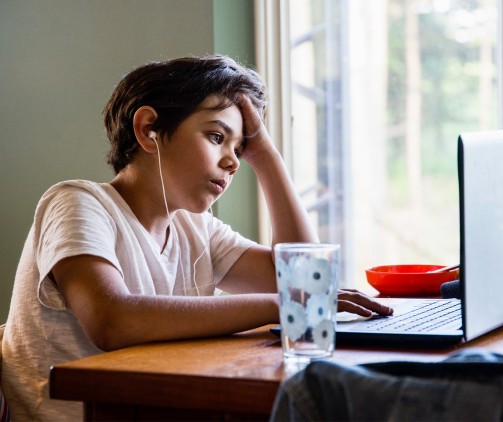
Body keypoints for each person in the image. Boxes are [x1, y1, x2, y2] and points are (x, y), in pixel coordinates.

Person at [0, 55, 393, 421]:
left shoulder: (195, 227)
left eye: (241, 148)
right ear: (148, 129)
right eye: (217, 137)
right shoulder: (77, 202)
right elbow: (112, 321)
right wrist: (284, 304)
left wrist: (267, 156)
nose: (233, 161)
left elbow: (304, 278)